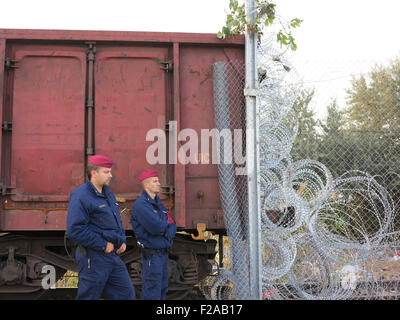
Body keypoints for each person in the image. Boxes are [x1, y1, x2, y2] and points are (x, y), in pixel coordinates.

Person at [66, 155, 136, 300]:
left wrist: (121, 240)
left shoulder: (107, 193)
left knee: (126, 294)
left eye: (110, 171)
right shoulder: (80, 196)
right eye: (106, 172)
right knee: (89, 297)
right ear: (94, 173)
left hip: (112, 256)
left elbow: (116, 220)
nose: (110, 175)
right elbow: (75, 229)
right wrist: (103, 244)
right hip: (94, 257)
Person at [130, 169, 176, 300]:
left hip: (162, 253)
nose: (159, 184)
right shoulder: (141, 205)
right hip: (152, 254)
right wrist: (165, 228)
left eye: (158, 181)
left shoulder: (157, 203)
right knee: (152, 291)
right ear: (146, 185)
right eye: (155, 181)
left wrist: (166, 229)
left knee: (162, 288)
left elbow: (172, 225)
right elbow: (155, 228)